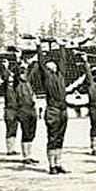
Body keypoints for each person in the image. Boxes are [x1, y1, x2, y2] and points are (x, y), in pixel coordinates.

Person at [36, 40, 69, 174]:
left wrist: (61, 46)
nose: (54, 65)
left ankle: (58, 163)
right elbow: (41, 63)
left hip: (63, 110)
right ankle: (51, 165)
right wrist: (38, 47)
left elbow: (63, 61)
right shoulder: (46, 77)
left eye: (54, 64)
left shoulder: (60, 75)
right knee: (52, 138)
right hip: (53, 111)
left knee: (60, 138)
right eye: (51, 65)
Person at [14, 60, 39, 163]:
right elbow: (16, 73)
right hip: (23, 110)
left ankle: (29, 154)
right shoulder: (17, 83)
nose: (23, 75)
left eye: (24, 73)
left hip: (32, 109)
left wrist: (34, 62)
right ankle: (25, 156)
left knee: (31, 134)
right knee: (25, 133)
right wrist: (19, 61)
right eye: (21, 73)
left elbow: (34, 70)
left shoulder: (28, 82)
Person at [0, 57, 20, 156]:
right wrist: (5, 67)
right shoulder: (7, 86)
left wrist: (18, 59)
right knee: (10, 129)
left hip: (16, 108)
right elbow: (5, 76)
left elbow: (18, 74)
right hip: (9, 109)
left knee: (14, 129)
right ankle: (9, 149)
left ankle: (12, 148)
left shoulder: (16, 86)